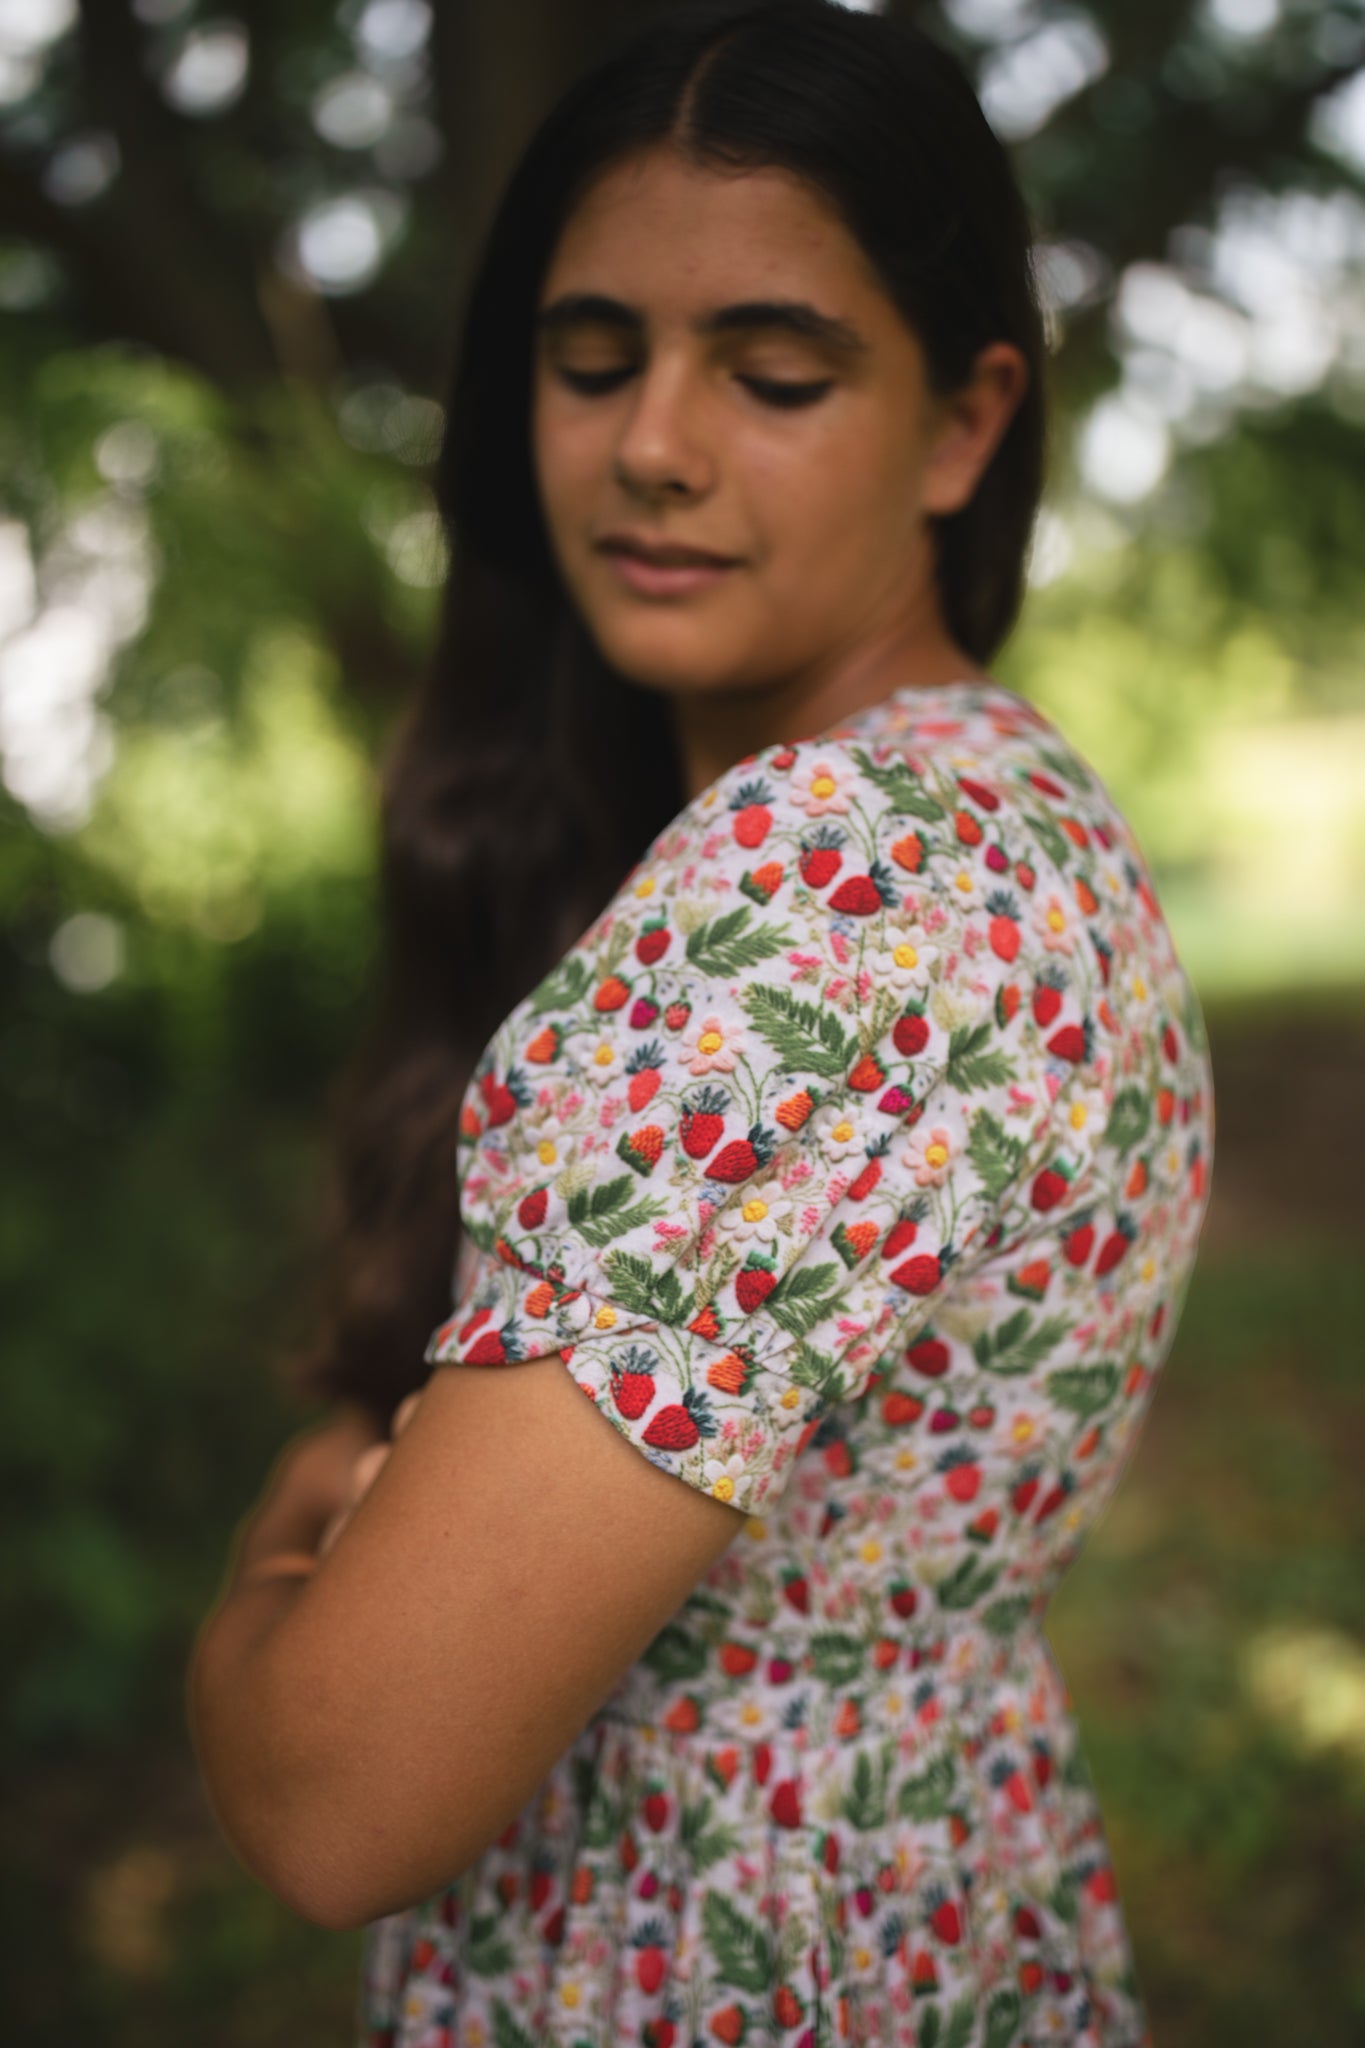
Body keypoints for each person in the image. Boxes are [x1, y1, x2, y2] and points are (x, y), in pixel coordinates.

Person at [188, 3, 1215, 2043]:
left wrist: (263, 1591)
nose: (652, 440)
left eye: (768, 371)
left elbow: (334, 1793)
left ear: (959, 421)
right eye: (589, 360)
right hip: (940, 1901)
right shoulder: (1008, 808)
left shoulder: (814, 895)